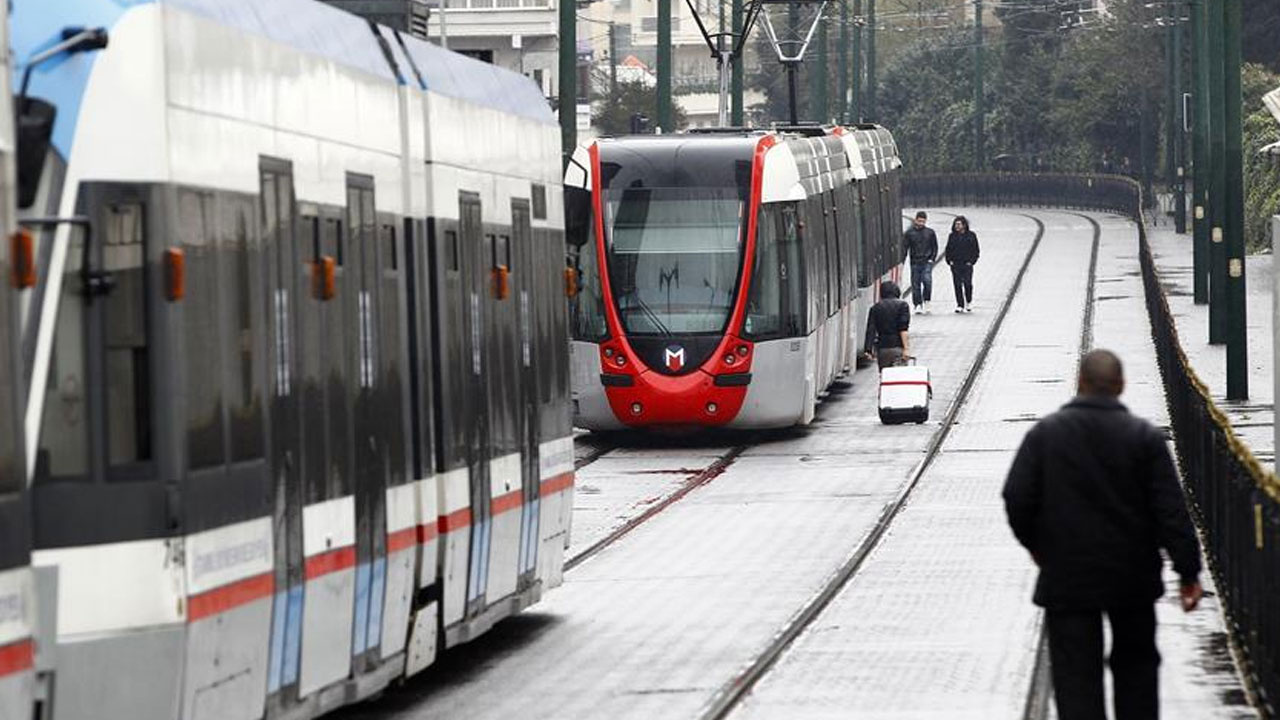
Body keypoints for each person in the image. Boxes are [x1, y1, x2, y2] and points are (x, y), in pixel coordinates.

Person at [1002, 350, 1204, 720]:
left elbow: (1017, 497)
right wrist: (1188, 573)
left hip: (1068, 578)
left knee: (1076, 679)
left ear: (1079, 383)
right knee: (1137, 672)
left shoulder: (1045, 435)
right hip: (1133, 579)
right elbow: (1171, 512)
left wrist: (1036, 545)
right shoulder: (1144, 439)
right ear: (1121, 386)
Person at [867, 280, 911, 369]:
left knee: (885, 376)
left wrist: (868, 350)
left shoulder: (875, 308)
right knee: (898, 377)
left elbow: (871, 330)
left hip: (883, 349)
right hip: (898, 347)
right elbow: (903, 329)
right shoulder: (903, 306)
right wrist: (906, 348)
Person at [902, 211, 938, 313]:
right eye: (919, 221)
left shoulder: (930, 233)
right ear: (916, 220)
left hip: (927, 261)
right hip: (915, 261)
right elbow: (905, 247)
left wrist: (932, 258)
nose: (921, 223)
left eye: (923, 221)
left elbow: (934, 246)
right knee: (915, 284)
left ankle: (927, 300)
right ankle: (917, 304)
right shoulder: (909, 233)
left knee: (927, 281)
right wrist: (903, 260)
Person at [944, 216, 980, 313]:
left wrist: (972, 261)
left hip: (967, 264)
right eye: (956, 224)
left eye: (959, 224)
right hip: (955, 264)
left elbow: (976, 250)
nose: (957, 226)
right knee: (957, 284)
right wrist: (949, 261)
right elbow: (948, 249)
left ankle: (968, 301)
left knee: (968, 283)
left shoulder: (971, 235)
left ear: (964, 225)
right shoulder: (952, 236)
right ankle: (960, 304)